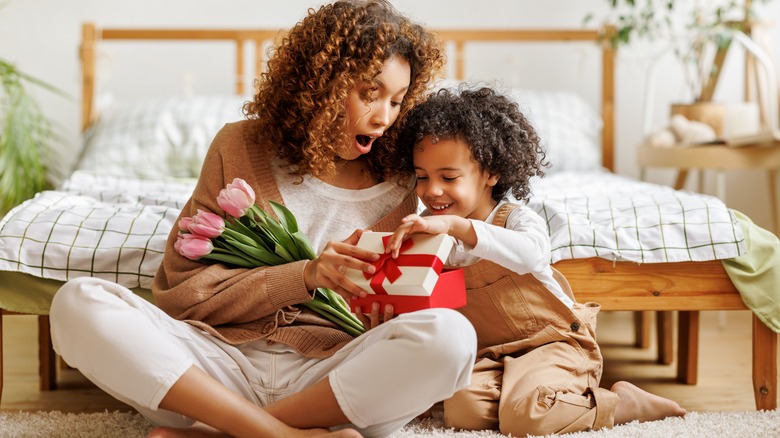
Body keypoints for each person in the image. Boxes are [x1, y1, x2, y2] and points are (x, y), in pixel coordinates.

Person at [49, 2, 477, 437]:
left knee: (453, 337)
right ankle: (279, 435)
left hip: (330, 380)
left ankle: (224, 431)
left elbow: (404, 303)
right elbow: (181, 294)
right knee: (78, 302)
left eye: (396, 101)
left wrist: (387, 316)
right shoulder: (239, 146)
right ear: (322, 82)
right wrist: (305, 275)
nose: (385, 118)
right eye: (369, 93)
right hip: (215, 367)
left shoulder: (407, 178)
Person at [386, 86, 687, 437]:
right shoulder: (435, 235)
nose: (432, 190)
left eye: (448, 177)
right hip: (493, 354)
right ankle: (531, 398)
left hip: (552, 342)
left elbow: (531, 254)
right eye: (423, 177)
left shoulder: (516, 219)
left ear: (491, 173)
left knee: (526, 418)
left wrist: (460, 227)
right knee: (461, 409)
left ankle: (620, 404)